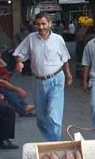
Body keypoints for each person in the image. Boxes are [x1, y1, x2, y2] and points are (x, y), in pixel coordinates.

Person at [13, 12, 73, 141]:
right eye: (38, 24)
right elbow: (20, 53)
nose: (41, 27)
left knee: (53, 114)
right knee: (41, 119)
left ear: (50, 24)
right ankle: (50, 141)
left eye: (44, 24)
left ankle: (54, 144)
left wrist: (68, 75)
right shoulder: (30, 38)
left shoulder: (58, 39)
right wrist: (19, 62)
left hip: (56, 79)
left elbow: (65, 59)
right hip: (38, 82)